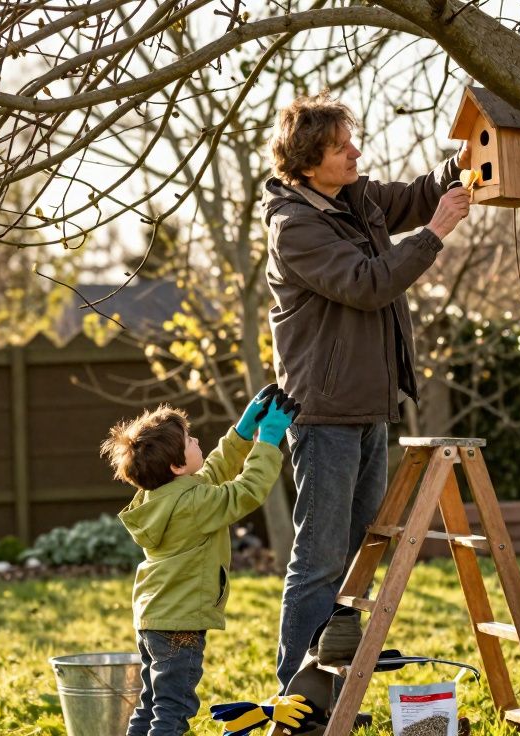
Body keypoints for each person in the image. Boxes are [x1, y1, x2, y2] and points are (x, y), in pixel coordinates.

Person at [263, 92, 473, 687]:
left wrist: (462, 166)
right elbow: (366, 283)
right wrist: (434, 234)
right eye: (340, 147)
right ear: (307, 163)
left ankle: (336, 677)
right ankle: (295, 694)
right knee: (322, 559)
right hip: (323, 414)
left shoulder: (354, 199)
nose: (355, 151)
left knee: (360, 554)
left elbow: (410, 195)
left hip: (369, 408)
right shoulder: (295, 226)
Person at [104, 386, 300, 736]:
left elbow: (211, 473)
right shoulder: (194, 503)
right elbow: (246, 491)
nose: (196, 442)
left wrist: (241, 433)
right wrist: (268, 441)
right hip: (180, 625)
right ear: (177, 465)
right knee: (173, 710)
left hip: (153, 620)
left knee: (151, 704)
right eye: (190, 441)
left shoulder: (160, 495)